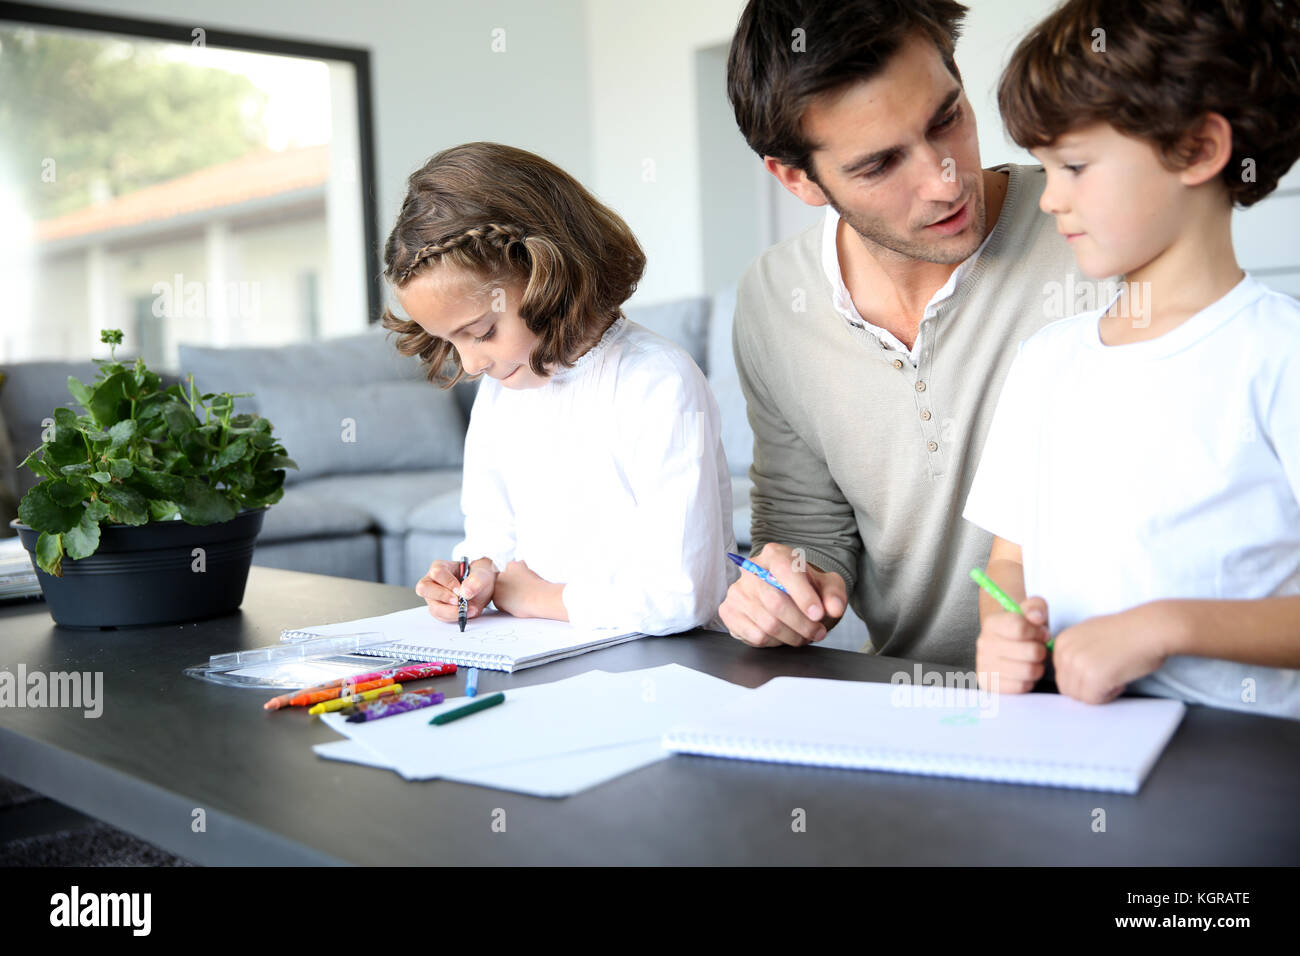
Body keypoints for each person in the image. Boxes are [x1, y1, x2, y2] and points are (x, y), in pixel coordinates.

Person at [718, 0, 1084, 667]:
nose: (944, 184)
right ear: (796, 178)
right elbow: (806, 531)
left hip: (1110, 698)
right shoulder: (774, 299)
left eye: (947, 119)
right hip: (906, 696)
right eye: (879, 164)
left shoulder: (1090, 238)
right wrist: (786, 586)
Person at [963, 0, 1300, 717]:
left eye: (1075, 166)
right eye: (1044, 169)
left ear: (1198, 151)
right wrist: (1002, 628)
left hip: (1239, 754)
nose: (1050, 199)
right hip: (1069, 735)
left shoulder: (1278, 354)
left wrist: (1163, 628)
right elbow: (1010, 562)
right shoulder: (1047, 361)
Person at [381, 142, 736, 635]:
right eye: (450, 342)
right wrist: (478, 573)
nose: (471, 363)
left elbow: (683, 594)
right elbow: (492, 528)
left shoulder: (656, 382)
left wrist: (540, 598)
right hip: (545, 650)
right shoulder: (502, 391)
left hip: (668, 664)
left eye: (482, 332)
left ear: (551, 273)